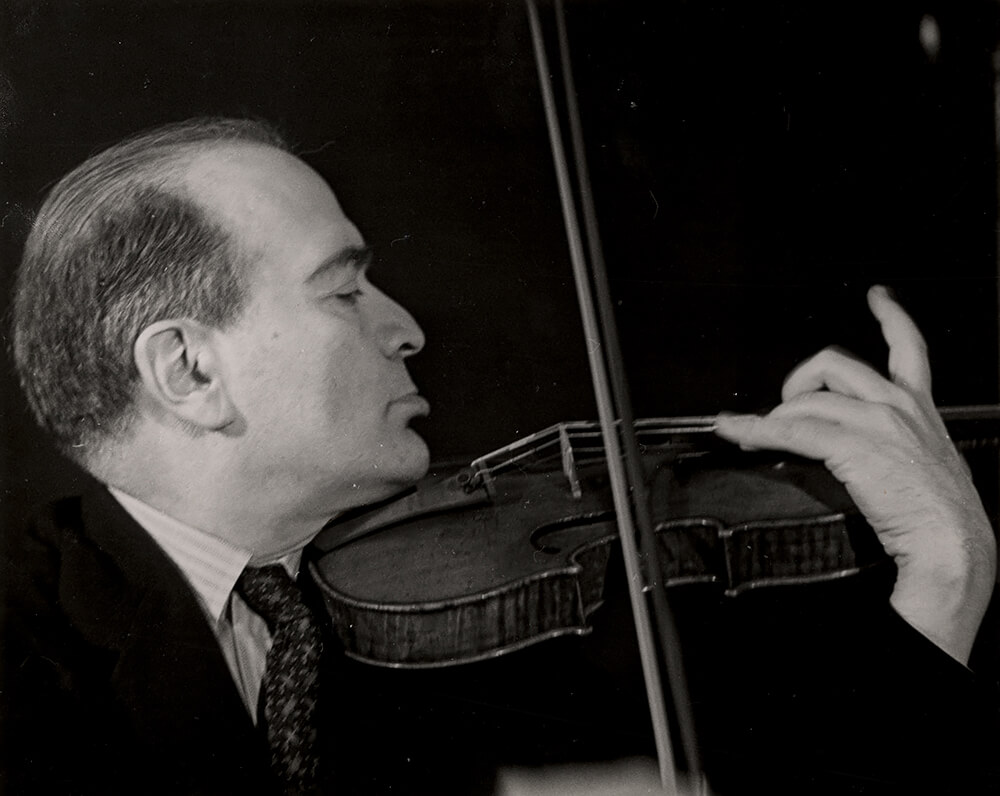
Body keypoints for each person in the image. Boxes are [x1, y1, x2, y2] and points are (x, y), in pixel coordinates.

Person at [2, 116, 998, 794]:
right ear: (186, 368)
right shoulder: (26, 657)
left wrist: (939, 581)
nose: (406, 329)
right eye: (344, 290)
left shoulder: (418, 649)